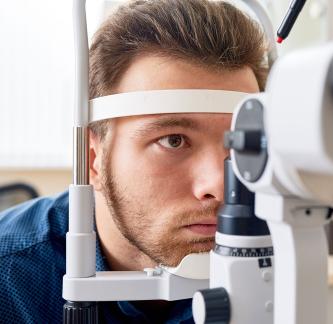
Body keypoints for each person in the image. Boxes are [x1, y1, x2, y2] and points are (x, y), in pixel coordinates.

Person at [0, 0, 269, 322]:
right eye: (173, 140)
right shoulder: (10, 277)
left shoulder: (278, 257)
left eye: (238, 144)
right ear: (93, 158)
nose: (220, 186)